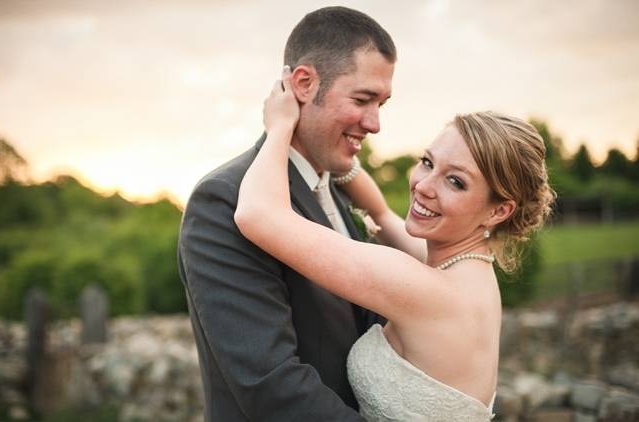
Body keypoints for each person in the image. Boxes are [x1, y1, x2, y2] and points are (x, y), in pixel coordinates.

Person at [234, 67, 556, 421]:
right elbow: (383, 215)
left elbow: (257, 215)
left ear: (499, 211)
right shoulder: (466, 274)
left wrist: (279, 127)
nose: (423, 186)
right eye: (427, 162)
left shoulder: (426, 289)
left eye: (455, 181)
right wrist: (337, 153)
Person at [177, 6, 396, 421]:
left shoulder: (338, 191)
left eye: (382, 103)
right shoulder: (223, 200)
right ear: (303, 84)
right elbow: (273, 387)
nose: (375, 123)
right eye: (363, 99)